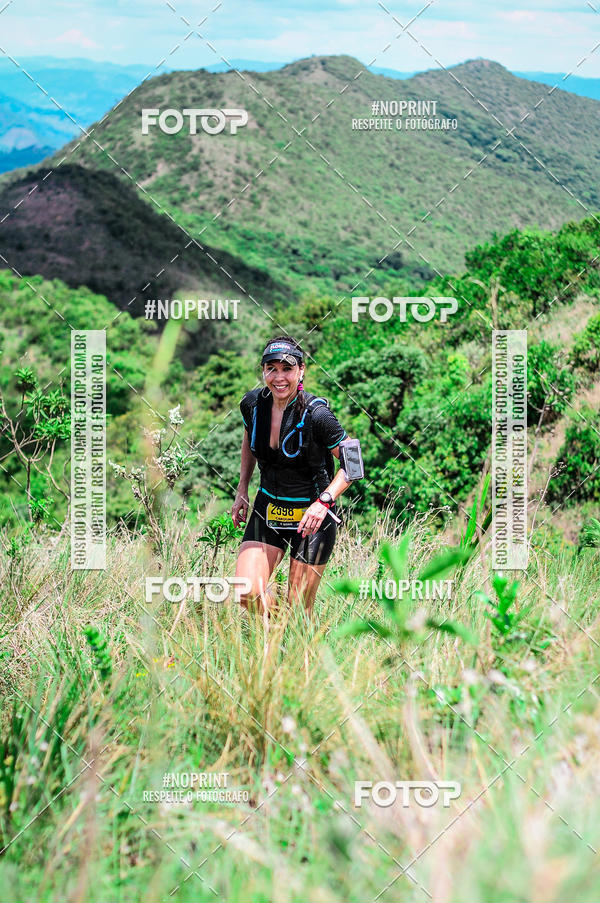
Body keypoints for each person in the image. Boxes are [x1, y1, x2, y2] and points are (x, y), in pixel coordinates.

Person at [231, 335, 353, 615]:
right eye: (271, 368)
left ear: (301, 370)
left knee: (299, 608)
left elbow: (353, 465)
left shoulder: (317, 415)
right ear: (263, 371)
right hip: (268, 507)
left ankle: (298, 647)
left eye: (286, 368)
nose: (279, 377)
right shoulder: (252, 405)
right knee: (246, 591)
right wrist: (242, 488)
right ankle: (278, 629)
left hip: (311, 516)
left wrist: (324, 501)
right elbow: (250, 438)